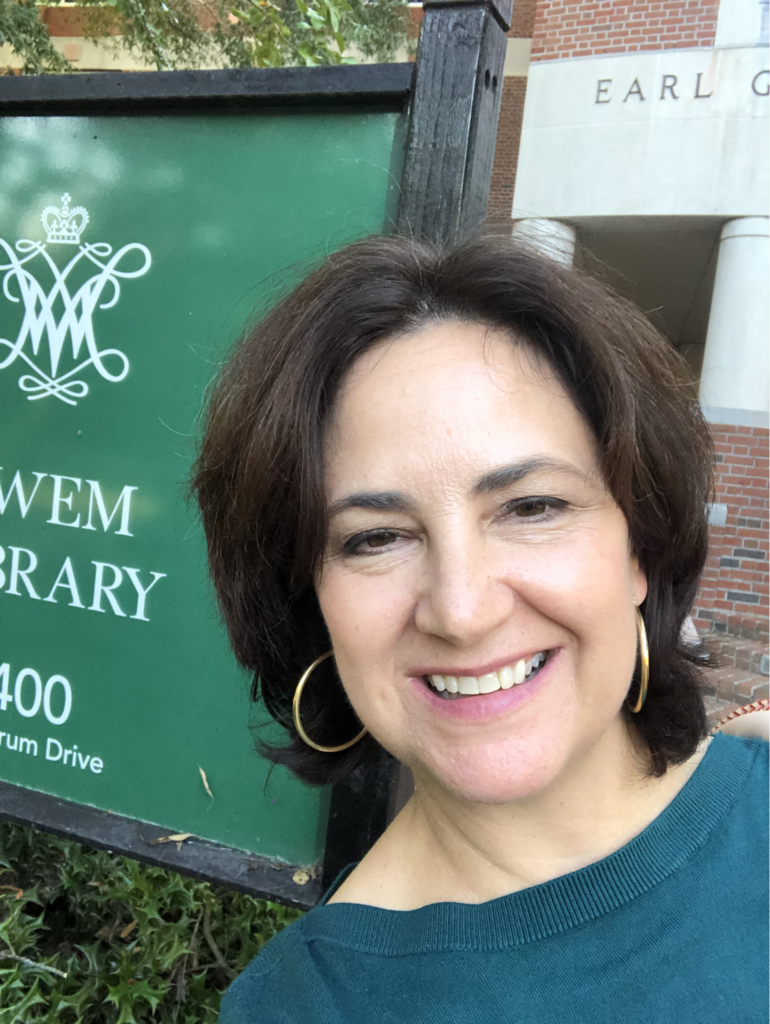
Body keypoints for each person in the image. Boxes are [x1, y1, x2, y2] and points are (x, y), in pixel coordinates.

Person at [192, 236, 770, 1023]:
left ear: (642, 547)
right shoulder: (302, 1008)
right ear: (313, 608)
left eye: (532, 507)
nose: (461, 612)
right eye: (375, 538)